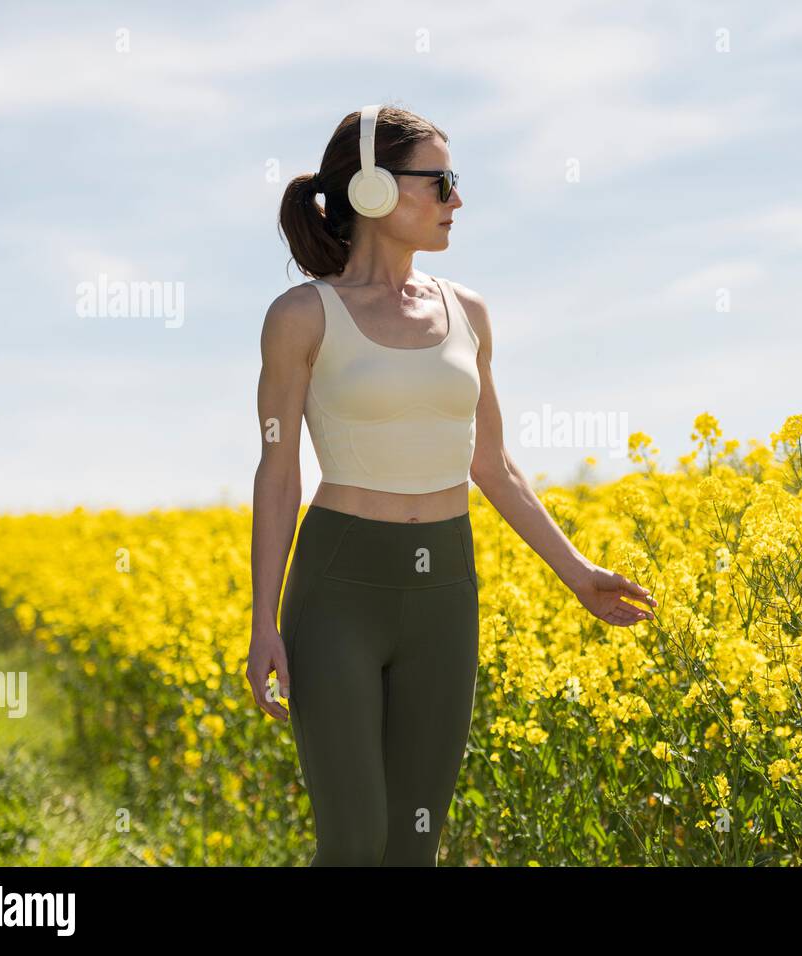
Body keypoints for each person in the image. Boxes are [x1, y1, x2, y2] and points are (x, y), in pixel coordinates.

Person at [246, 104, 657, 866]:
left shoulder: (467, 312)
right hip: (338, 589)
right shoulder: (301, 317)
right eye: (440, 182)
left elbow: (492, 465)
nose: (455, 201)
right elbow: (278, 473)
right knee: (354, 839)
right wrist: (263, 623)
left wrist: (579, 576)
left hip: (445, 590)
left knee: (415, 844)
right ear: (372, 190)